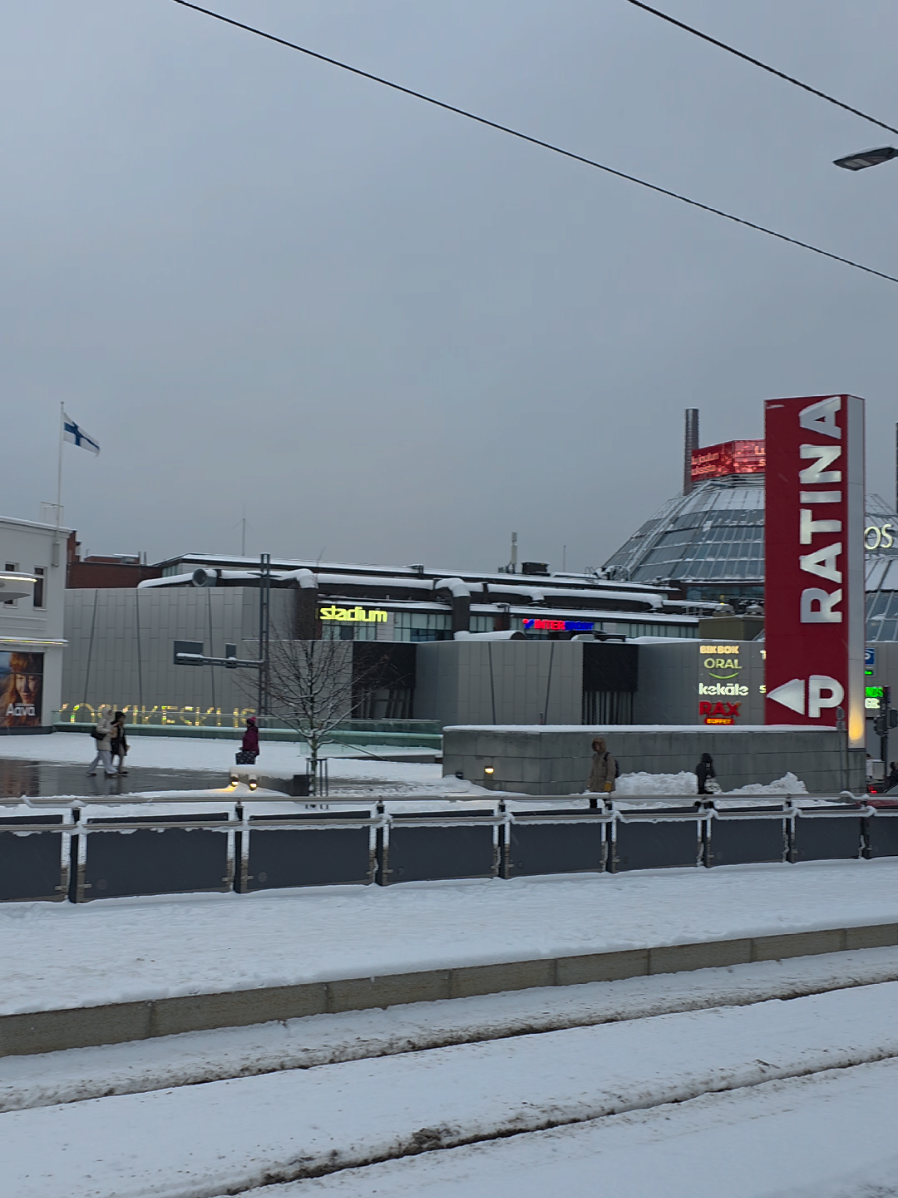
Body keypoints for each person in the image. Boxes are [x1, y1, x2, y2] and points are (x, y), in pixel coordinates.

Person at [0, 652, 43, 729]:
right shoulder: (3, 708)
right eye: (20, 678)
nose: (24, 689)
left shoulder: (45, 715)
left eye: (32, 679)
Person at [87, 707, 118, 776]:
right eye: (109, 712)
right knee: (107, 756)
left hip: (105, 740)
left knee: (100, 757)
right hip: (103, 741)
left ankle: (91, 770)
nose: (110, 714)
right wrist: (109, 731)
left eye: (110, 712)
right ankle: (111, 771)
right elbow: (99, 729)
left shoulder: (109, 721)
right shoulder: (103, 720)